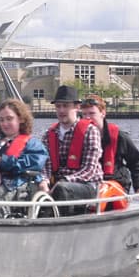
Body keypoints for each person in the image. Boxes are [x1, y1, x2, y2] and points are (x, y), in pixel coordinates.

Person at [39, 85, 103, 215]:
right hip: (58, 184)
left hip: (87, 185)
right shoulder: (49, 134)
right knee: (31, 187)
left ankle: (53, 224)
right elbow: (46, 165)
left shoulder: (91, 131)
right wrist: (43, 181)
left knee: (62, 189)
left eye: (66, 106)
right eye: (58, 106)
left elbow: (89, 170)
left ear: (77, 107)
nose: (61, 110)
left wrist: (65, 180)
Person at [80, 94, 139, 200]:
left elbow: (136, 162)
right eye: (84, 114)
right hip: (88, 183)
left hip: (115, 184)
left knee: (100, 195)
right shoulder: (77, 136)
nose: (88, 118)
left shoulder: (119, 136)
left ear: (103, 113)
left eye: (92, 113)